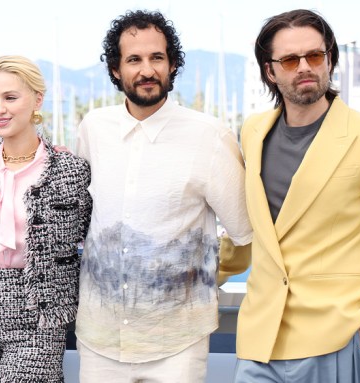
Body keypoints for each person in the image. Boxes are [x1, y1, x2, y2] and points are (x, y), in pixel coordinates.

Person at [228, 9, 360, 382]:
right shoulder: (253, 131)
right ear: (270, 71)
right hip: (259, 337)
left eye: (315, 56)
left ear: (329, 59)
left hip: (335, 336)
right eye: (289, 59)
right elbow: (251, 228)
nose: (305, 67)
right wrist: (200, 275)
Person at [75, 10, 252, 382]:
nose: (147, 70)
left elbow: (245, 233)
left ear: (172, 66)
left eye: (157, 58)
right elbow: (84, 216)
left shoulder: (209, 136)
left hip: (178, 341)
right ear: (115, 70)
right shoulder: (93, 129)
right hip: (99, 338)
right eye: (134, 59)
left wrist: (194, 279)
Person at [0, 55, 92, 382]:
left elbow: (85, 233)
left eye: (11, 98)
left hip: (39, 311)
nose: (0, 109)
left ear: (37, 99)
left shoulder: (70, 170)